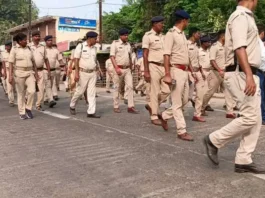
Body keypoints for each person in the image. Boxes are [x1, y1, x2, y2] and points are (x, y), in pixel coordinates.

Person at [204, 0, 265, 174]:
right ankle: (213, 140)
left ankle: (244, 160)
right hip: (241, 72)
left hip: (247, 72)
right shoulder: (239, 16)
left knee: (256, 119)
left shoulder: (247, 17)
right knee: (250, 117)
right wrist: (248, 75)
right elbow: (239, 48)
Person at [158, 10, 193, 141]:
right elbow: (166, 55)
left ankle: (165, 115)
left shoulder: (182, 35)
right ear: (184, 20)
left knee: (185, 100)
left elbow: (185, 56)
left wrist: (191, 72)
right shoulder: (170, 34)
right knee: (177, 103)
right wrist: (167, 74)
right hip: (175, 71)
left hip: (184, 72)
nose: (188, 23)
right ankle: (181, 131)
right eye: (188, 21)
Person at [142, 16, 170, 126]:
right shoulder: (147, 36)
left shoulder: (164, 37)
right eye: (160, 23)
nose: (162, 25)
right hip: (153, 66)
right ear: (154, 24)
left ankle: (151, 105)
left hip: (164, 67)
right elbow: (145, 54)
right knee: (154, 91)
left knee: (167, 90)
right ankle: (154, 116)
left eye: (163, 23)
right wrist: (146, 71)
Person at [202, 30, 236, 119]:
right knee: (210, 92)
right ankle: (201, 107)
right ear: (222, 36)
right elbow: (212, 60)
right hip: (215, 72)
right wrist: (219, 70)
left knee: (228, 91)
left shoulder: (227, 47)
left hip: (225, 72)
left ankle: (230, 111)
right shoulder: (215, 46)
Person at [69, 31, 101, 118]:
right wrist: (76, 73)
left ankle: (91, 112)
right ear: (90, 38)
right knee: (80, 91)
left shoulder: (94, 48)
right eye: (95, 38)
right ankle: (72, 105)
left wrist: (97, 70)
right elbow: (76, 60)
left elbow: (94, 60)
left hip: (92, 73)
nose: (96, 40)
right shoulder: (81, 46)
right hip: (83, 73)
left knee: (91, 93)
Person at [9, 33, 38, 120]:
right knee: (21, 93)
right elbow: (10, 63)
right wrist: (10, 75)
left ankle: (28, 108)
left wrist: (36, 73)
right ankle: (22, 112)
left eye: (26, 39)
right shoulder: (14, 49)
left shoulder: (29, 48)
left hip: (29, 72)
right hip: (19, 73)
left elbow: (33, 62)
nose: (26, 41)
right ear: (19, 41)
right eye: (24, 40)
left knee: (32, 91)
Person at [110, 28, 139, 114]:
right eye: (125, 35)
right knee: (116, 87)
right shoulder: (115, 44)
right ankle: (116, 106)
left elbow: (130, 56)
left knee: (130, 87)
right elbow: (112, 57)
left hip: (127, 69)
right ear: (121, 36)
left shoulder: (128, 45)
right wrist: (116, 68)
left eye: (127, 35)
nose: (127, 36)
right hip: (118, 68)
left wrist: (131, 66)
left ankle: (131, 106)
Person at [29, 31, 54, 110]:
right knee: (31, 90)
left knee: (41, 89)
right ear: (32, 37)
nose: (37, 38)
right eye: (35, 36)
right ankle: (27, 102)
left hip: (40, 71)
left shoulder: (42, 47)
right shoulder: (28, 46)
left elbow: (46, 60)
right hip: (30, 71)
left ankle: (38, 104)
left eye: (38, 36)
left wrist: (49, 71)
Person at [44, 35, 64, 105]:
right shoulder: (43, 50)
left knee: (51, 84)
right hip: (45, 70)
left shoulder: (55, 50)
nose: (50, 42)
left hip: (53, 70)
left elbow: (60, 60)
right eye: (48, 40)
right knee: (48, 85)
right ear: (45, 42)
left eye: (51, 40)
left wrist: (64, 67)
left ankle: (45, 98)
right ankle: (51, 99)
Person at [197, 36, 212, 117]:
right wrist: (201, 72)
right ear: (203, 43)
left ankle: (202, 108)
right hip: (202, 72)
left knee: (207, 92)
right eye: (207, 42)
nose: (209, 43)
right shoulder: (198, 51)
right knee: (202, 93)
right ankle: (200, 110)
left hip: (209, 72)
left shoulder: (209, 51)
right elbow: (198, 63)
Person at [2, 41, 15, 106]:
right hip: (7, 70)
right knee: (9, 87)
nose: (7, 47)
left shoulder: (14, 51)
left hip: (15, 71)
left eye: (9, 46)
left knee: (18, 86)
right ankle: (11, 101)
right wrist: (4, 72)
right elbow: (3, 63)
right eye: (6, 46)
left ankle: (24, 99)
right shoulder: (3, 53)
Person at [257, 24, 265, 125]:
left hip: (261, 72)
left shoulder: (260, 43)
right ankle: (262, 117)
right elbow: (262, 58)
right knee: (261, 96)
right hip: (260, 72)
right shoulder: (257, 43)